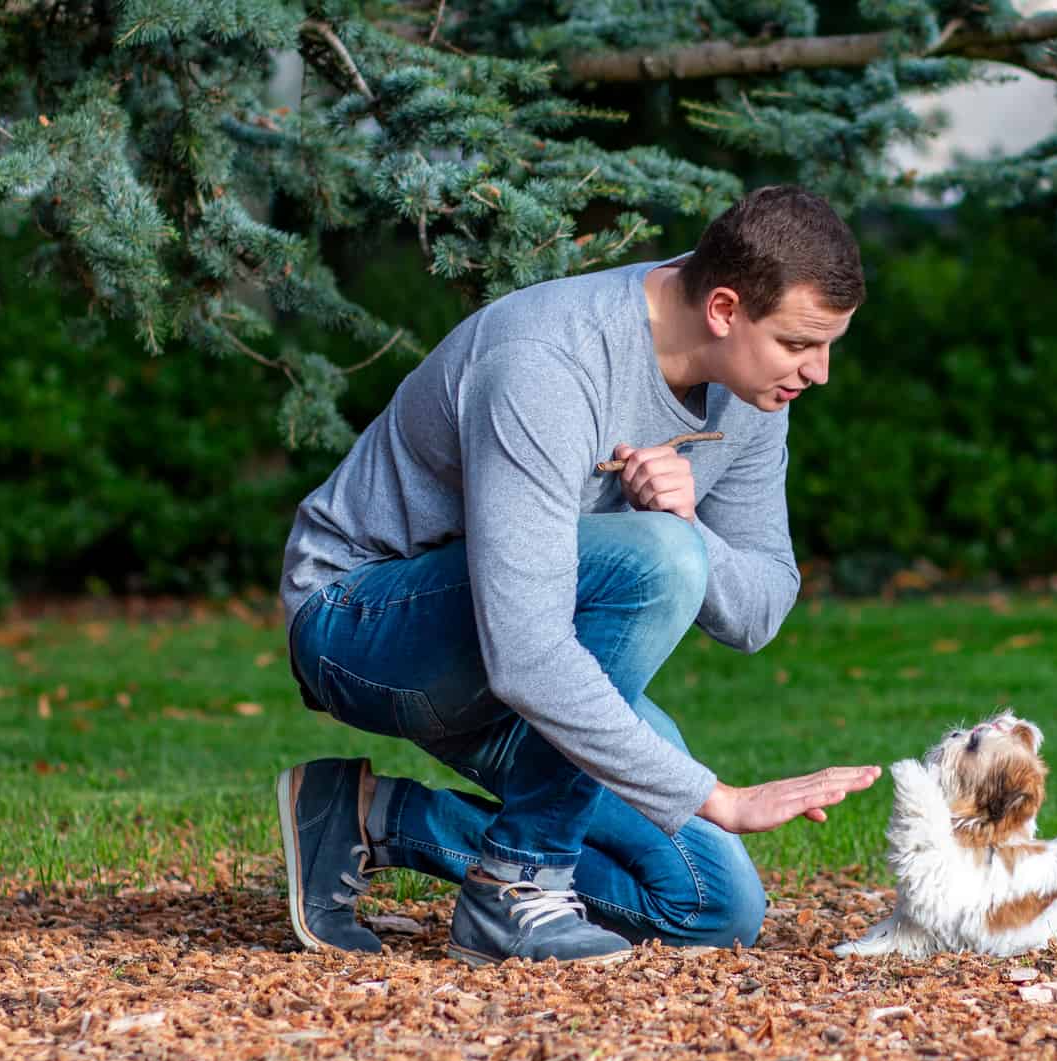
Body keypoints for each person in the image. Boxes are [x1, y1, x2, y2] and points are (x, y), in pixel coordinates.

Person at [274, 185, 881, 966]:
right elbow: (525, 653)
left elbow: (759, 609)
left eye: (829, 345)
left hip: (527, 656)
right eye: (802, 344)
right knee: (657, 560)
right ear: (725, 309)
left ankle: (366, 816)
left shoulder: (754, 395)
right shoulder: (547, 363)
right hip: (362, 624)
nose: (819, 371)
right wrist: (716, 797)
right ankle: (516, 887)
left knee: (710, 907)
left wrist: (689, 519)